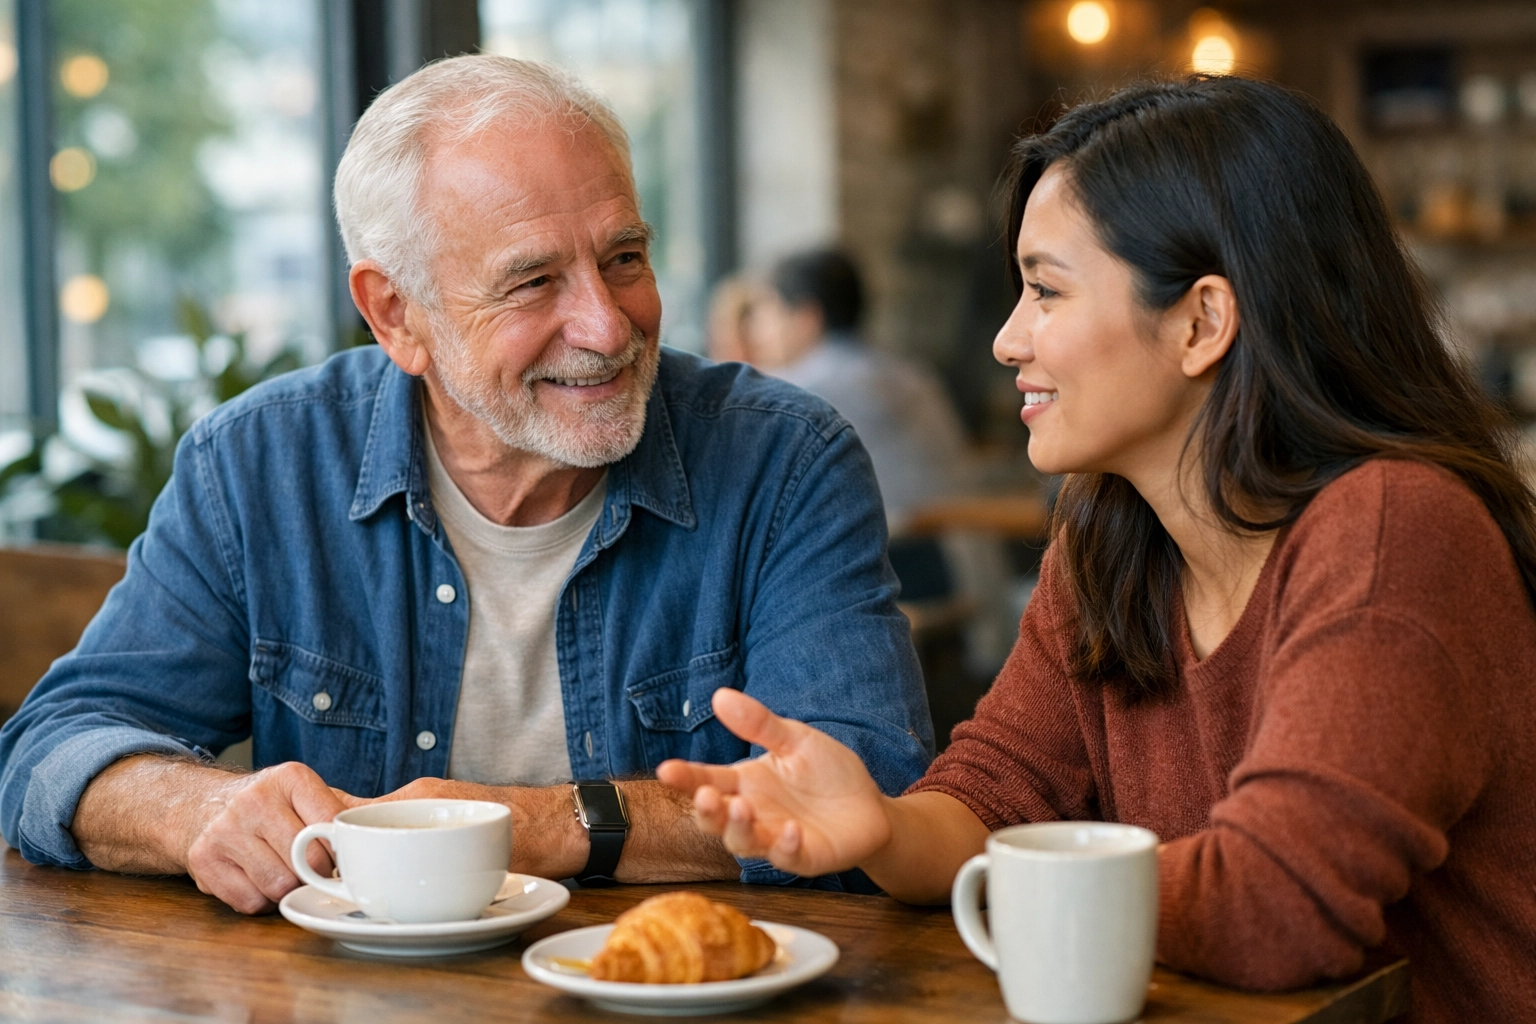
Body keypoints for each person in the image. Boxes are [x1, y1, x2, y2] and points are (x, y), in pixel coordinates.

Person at [659, 76, 1536, 1022]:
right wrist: (879, 826)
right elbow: (991, 798)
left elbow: (1274, 905)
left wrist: (1015, 877)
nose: (1007, 339)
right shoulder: (1111, 543)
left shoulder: (1395, 531)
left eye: (1046, 290)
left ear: (1203, 320)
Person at [0, 56, 932, 914]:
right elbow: (50, 749)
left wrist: (531, 824)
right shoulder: (258, 465)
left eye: (624, 259)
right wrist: (195, 808)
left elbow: (871, 796)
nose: (607, 327)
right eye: (533, 282)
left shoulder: (785, 460)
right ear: (395, 314)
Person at [748, 249, 970, 531]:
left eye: (766, 313)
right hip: (964, 560)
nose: (756, 331)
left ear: (806, 318)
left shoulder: (807, 390)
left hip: (908, 557)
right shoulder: (913, 374)